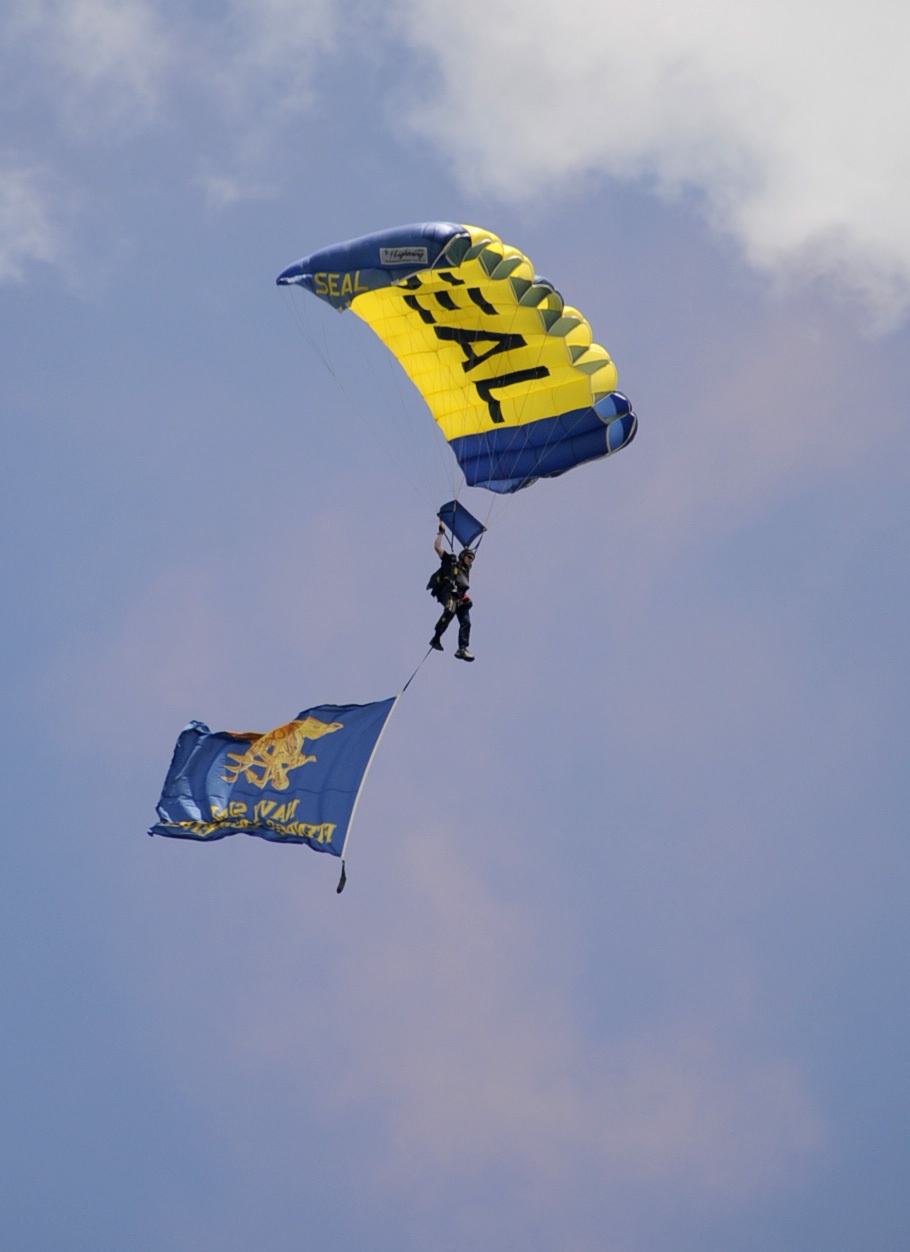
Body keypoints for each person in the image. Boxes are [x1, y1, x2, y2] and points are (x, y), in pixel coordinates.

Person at [429, 523, 475, 660]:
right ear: (463, 556)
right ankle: (436, 638)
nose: (471, 560)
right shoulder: (452, 562)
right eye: (469, 557)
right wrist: (441, 533)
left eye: (472, 558)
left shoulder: (467, 572)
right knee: (450, 610)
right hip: (448, 592)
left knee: (466, 622)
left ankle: (462, 648)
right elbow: (437, 548)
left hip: (460, 597)